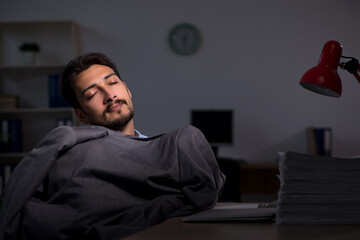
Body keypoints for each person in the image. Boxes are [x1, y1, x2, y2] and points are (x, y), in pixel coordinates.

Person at [0, 53, 225, 240]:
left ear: (127, 90)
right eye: (92, 93)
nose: (109, 95)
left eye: (112, 82)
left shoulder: (165, 150)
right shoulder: (72, 151)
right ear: (81, 115)